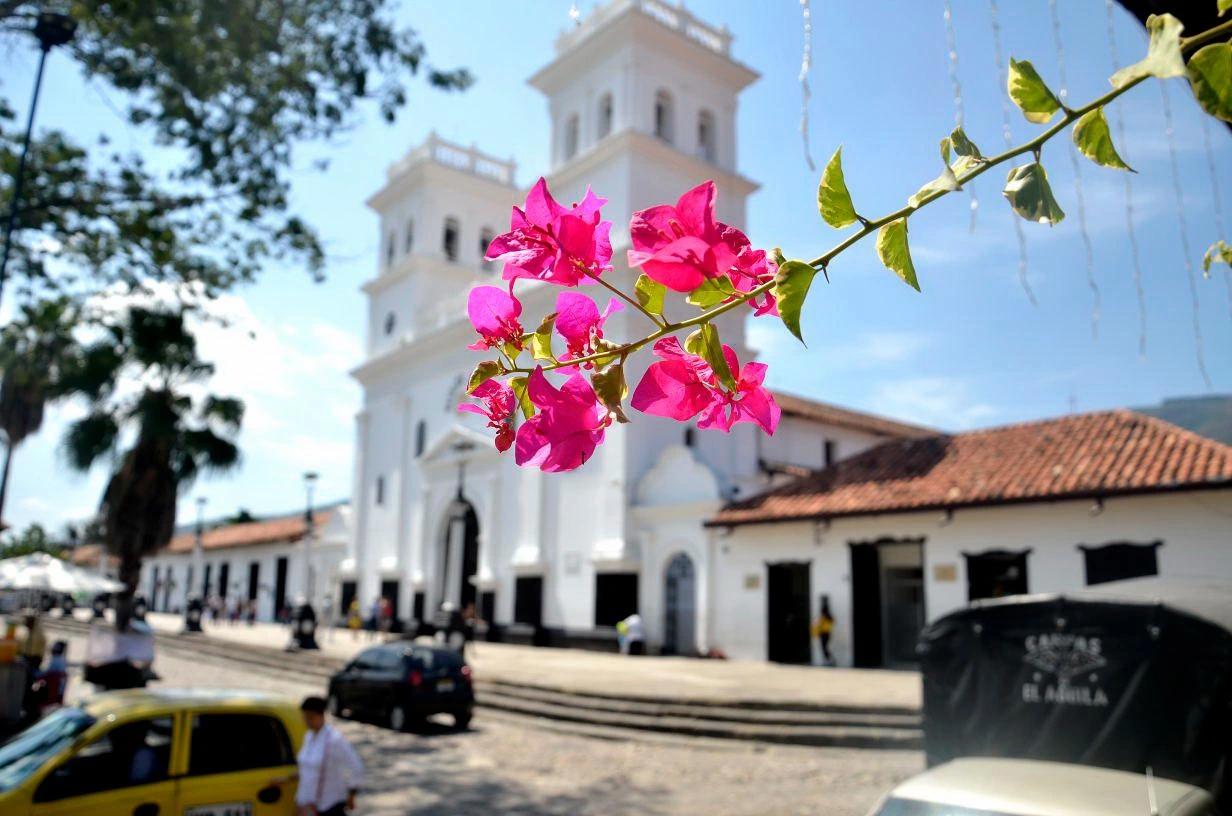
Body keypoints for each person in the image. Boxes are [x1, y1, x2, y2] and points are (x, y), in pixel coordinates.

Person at [297, 696, 363, 816]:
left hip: (330, 805)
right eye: (305, 717)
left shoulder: (334, 740)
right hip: (309, 806)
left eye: (310, 718)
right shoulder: (309, 737)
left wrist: (351, 794)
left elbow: (356, 766)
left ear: (320, 716)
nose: (306, 721)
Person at [811, 597, 836, 666]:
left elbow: (817, 625)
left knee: (824, 648)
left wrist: (815, 630)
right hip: (827, 633)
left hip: (823, 633)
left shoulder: (823, 617)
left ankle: (830, 660)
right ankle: (829, 660)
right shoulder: (829, 617)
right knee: (825, 647)